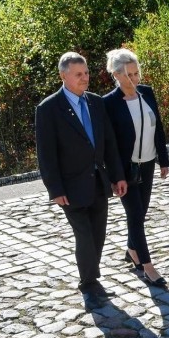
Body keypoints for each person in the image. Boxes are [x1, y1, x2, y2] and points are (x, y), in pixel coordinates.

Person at [35, 52, 127, 308]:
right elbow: (46, 154)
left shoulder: (97, 103)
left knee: (98, 234)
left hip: (98, 181)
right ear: (63, 76)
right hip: (70, 186)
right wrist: (54, 188)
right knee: (84, 235)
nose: (85, 78)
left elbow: (109, 142)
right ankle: (88, 284)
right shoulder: (49, 109)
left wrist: (117, 175)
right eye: (78, 74)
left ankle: (91, 278)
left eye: (86, 73)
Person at [103, 48, 169, 288]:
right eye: (129, 74)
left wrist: (164, 159)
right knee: (135, 216)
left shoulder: (146, 93)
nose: (135, 79)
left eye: (137, 73)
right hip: (126, 168)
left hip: (148, 162)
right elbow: (108, 145)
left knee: (140, 213)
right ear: (117, 75)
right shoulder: (108, 103)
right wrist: (115, 175)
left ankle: (132, 249)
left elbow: (158, 127)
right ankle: (147, 267)